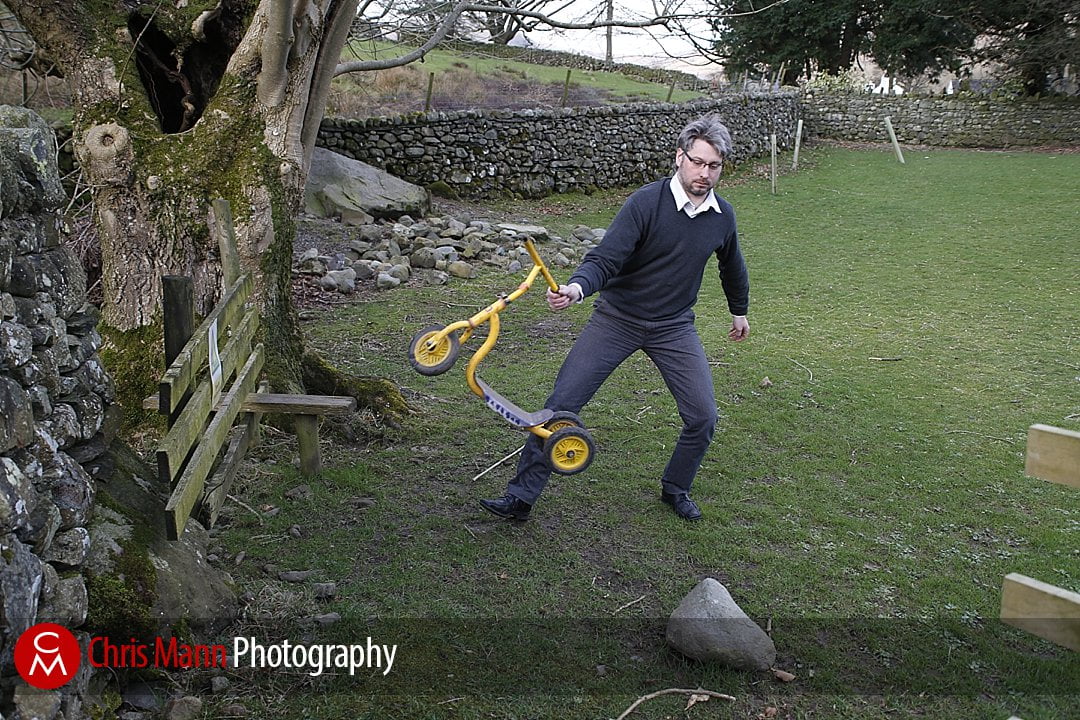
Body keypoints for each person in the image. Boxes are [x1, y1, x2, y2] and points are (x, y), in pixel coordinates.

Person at [480, 113, 750, 522]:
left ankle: (675, 487)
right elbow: (605, 258)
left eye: (714, 166)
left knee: (703, 416)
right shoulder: (645, 202)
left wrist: (739, 309)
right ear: (679, 157)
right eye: (697, 162)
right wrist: (577, 288)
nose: (704, 173)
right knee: (561, 406)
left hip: (673, 327)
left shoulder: (721, 215)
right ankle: (520, 497)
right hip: (617, 319)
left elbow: (732, 264)